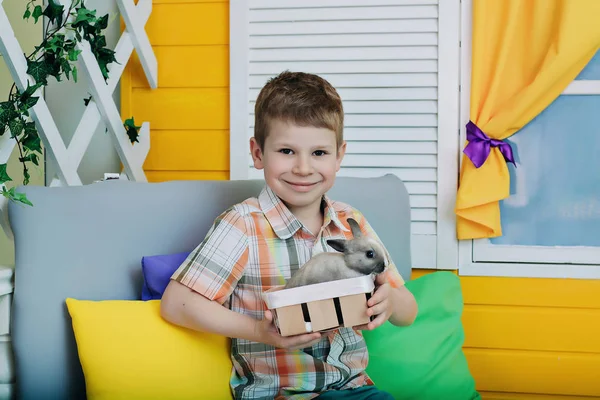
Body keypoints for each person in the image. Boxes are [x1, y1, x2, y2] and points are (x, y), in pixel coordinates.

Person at [161, 71, 418, 400]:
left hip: (354, 391)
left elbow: (408, 312)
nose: (303, 168)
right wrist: (258, 331)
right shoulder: (243, 225)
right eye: (286, 151)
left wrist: (391, 301)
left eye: (319, 153)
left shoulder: (351, 221)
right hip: (279, 394)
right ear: (258, 153)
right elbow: (176, 304)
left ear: (339, 155)